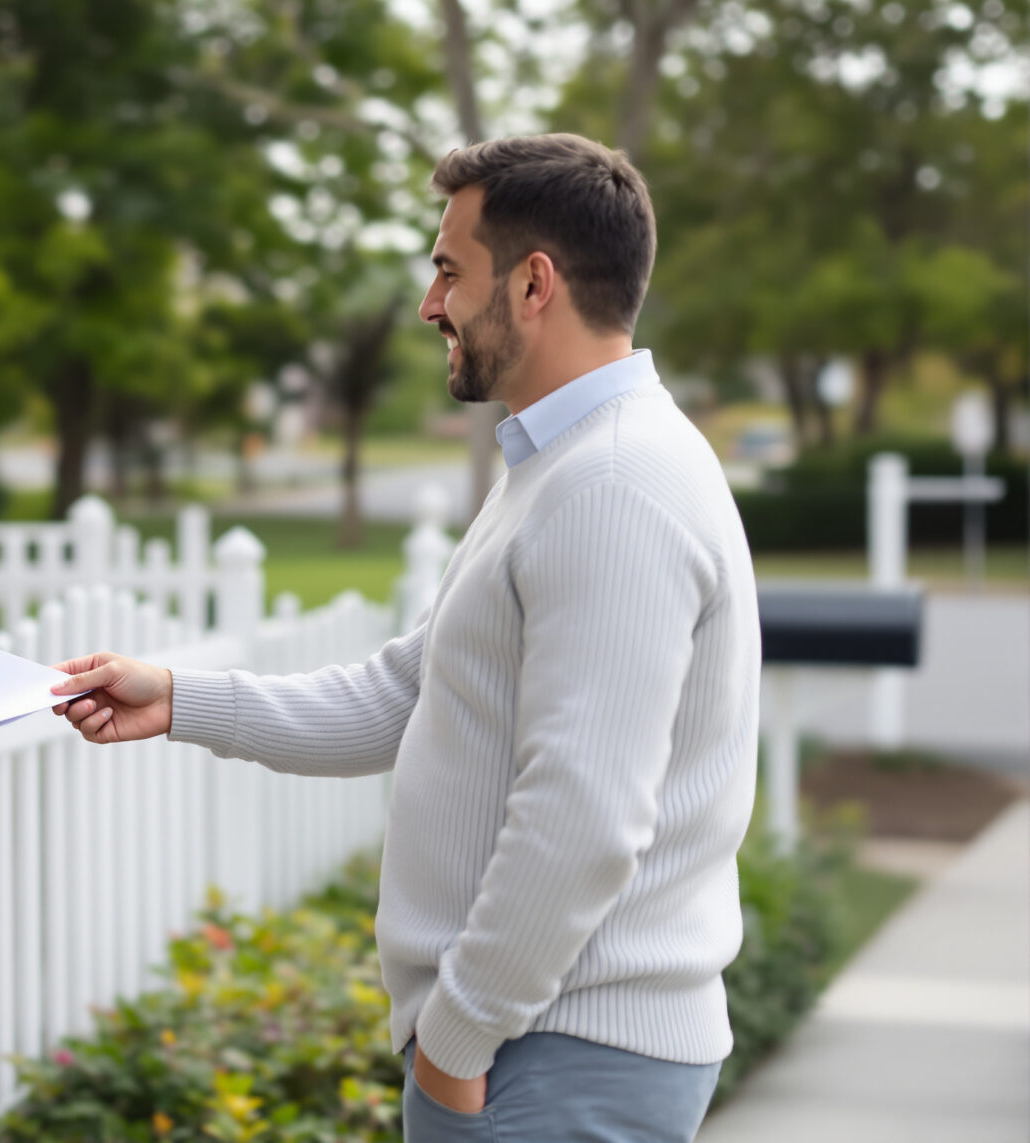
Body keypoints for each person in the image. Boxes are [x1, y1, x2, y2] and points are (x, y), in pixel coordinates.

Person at [51, 134, 758, 1143]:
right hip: (530, 1052)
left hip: (552, 1060)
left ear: (532, 285)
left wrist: (455, 1046)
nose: (430, 305)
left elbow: (583, 815)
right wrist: (177, 699)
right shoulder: (558, 468)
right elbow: (406, 692)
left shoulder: (608, 487)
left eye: (446, 270)